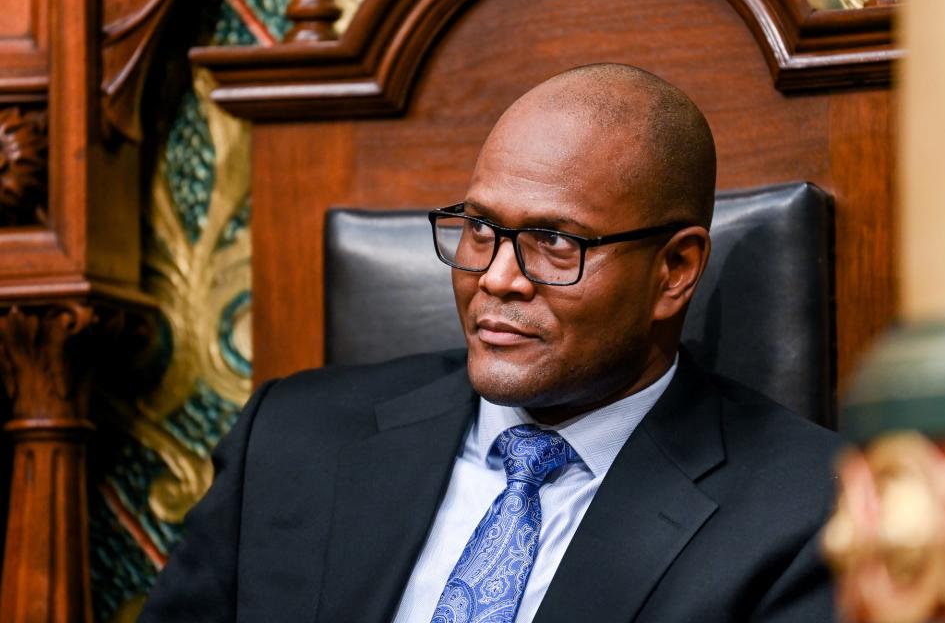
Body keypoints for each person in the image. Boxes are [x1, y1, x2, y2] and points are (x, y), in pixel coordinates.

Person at [139, 63, 842, 623]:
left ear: (674, 271)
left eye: (555, 241)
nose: (497, 278)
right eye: (479, 229)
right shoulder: (291, 440)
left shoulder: (814, 510)